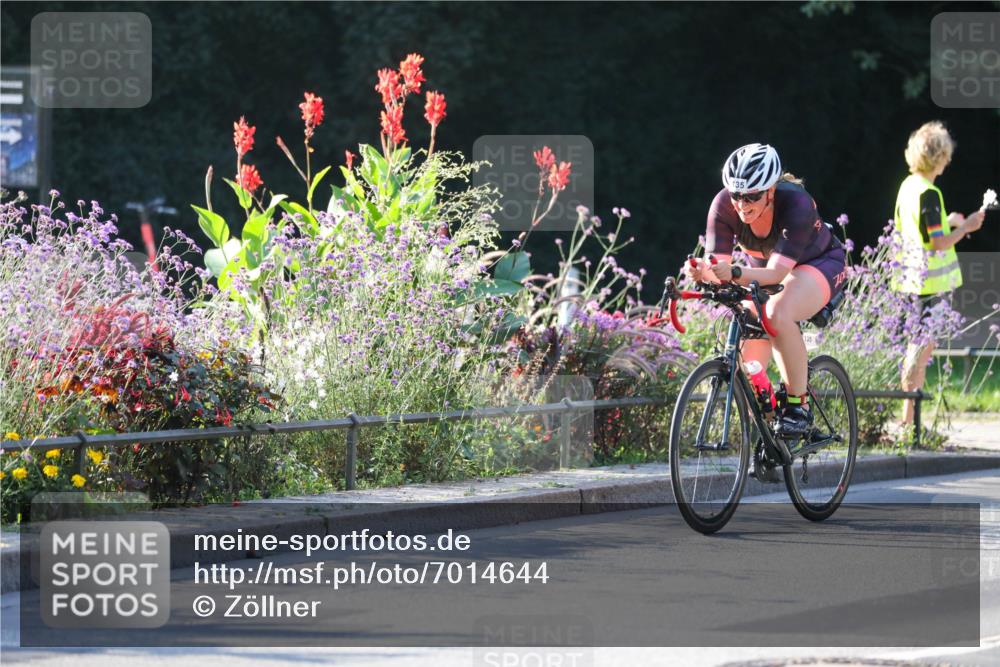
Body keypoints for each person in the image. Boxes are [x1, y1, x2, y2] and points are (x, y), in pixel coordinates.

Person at [683, 143, 847, 436]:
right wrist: (701, 272)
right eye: (736, 195)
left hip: (817, 263)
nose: (742, 204)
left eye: (752, 196)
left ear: (771, 190)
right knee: (747, 329)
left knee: (777, 311)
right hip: (760, 270)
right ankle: (769, 431)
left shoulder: (796, 203)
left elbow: (775, 275)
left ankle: (798, 407)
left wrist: (733, 272)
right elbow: (718, 266)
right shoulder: (723, 206)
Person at [891, 121, 984, 431]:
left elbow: (920, 228)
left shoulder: (909, 186)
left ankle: (907, 419)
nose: (949, 159)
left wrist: (948, 220)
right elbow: (938, 242)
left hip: (908, 280)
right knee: (920, 350)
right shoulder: (930, 193)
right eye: (947, 154)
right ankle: (909, 423)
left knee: (912, 349)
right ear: (940, 156)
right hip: (929, 285)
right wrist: (966, 226)